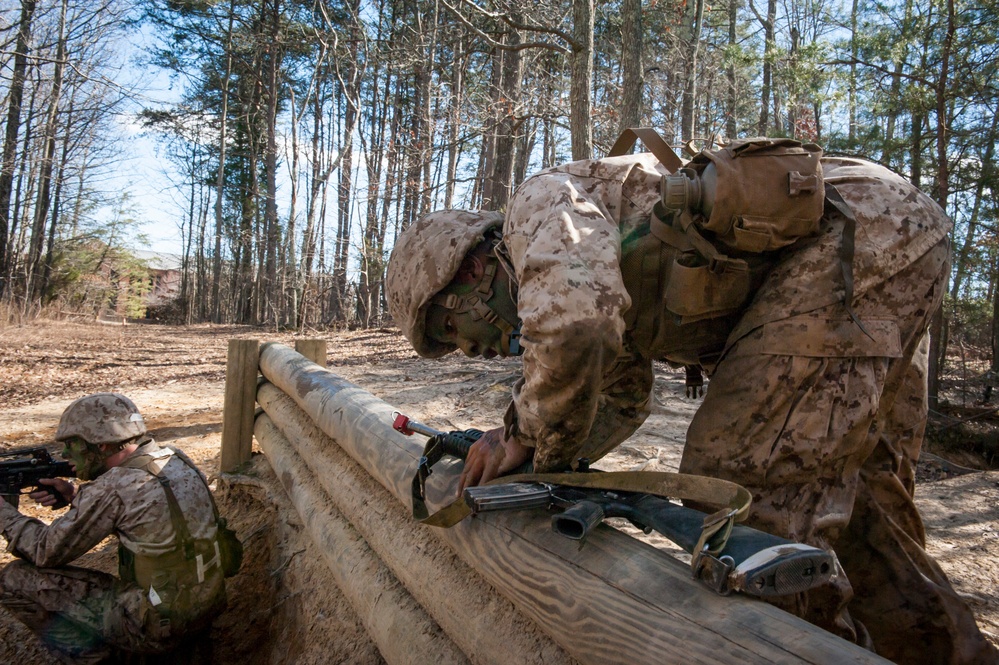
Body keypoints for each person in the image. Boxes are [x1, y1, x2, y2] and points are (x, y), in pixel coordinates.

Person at [385, 140, 999, 665]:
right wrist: (536, 457)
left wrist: (523, 430)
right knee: (862, 506)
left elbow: (576, 328)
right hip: (882, 229)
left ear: (467, 272)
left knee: (743, 488)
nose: (469, 348)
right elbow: (621, 400)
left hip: (858, 233)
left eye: (450, 330)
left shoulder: (537, 204)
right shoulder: (592, 265)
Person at [0, 393, 227, 664]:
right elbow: (142, 514)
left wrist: (4, 514)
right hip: (204, 606)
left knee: (13, 580)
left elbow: (43, 551)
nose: (65, 454)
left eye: (73, 444)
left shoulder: (114, 487)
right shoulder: (174, 458)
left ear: (103, 445)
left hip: (157, 624)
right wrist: (75, 495)